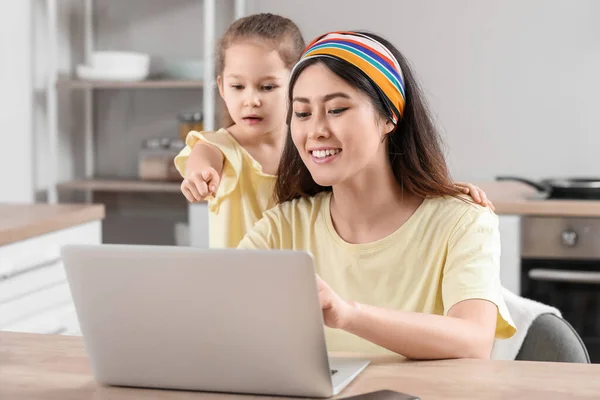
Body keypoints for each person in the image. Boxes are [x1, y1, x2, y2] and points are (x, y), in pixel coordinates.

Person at [238, 31, 516, 360]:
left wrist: (348, 315)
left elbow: (473, 340)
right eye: (302, 113)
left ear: (389, 117)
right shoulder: (281, 228)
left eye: (337, 109)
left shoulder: (462, 221)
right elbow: (219, 321)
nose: (316, 130)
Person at [176, 14, 492, 249]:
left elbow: (380, 186)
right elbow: (204, 157)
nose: (251, 100)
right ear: (221, 86)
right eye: (237, 86)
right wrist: (199, 174)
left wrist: (441, 194)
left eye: (268, 86)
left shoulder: (312, 151)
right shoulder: (220, 146)